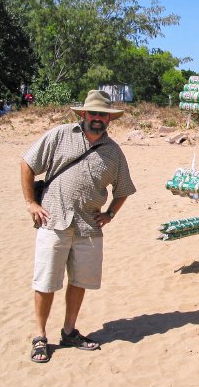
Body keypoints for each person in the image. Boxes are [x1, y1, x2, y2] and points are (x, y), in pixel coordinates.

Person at [21, 90, 136, 363]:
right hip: (53, 220)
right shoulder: (60, 135)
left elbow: (124, 189)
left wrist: (110, 214)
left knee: (79, 281)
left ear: (110, 119)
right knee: (46, 281)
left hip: (89, 227)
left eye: (103, 115)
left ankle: (70, 331)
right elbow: (27, 163)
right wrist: (30, 203)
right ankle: (40, 336)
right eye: (93, 113)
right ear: (83, 114)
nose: (98, 119)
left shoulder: (114, 152)